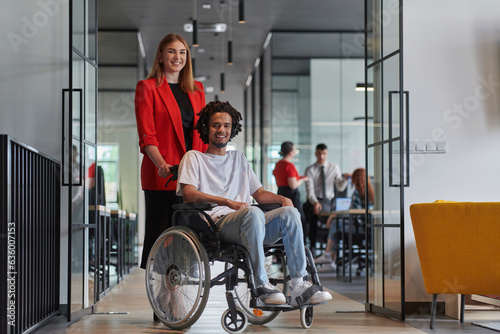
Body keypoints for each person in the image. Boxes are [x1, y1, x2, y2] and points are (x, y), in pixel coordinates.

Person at [177, 101, 332, 306]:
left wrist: (282, 199)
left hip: (250, 222)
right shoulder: (194, 158)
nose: (221, 130)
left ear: (232, 129)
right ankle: (261, 284)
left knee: (290, 213)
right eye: (215, 125)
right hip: (217, 226)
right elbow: (188, 194)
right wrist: (226, 201)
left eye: (226, 125)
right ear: (206, 128)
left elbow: (258, 194)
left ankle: (298, 284)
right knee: (252, 213)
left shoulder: (239, 158)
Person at [135, 33, 208, 270]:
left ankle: (179, 294)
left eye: (182, 52)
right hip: (162, 174)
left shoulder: (197, 90)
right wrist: (161, 164)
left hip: (191, 175)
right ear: (160, 56)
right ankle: (162, 302)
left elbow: (203, 133)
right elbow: (147, 135)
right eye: (172, 51)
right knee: (162, 236)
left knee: (188, 238)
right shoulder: (147, 88)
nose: (177, 57)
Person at [314, 168, 374, 272]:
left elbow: (353, 213)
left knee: (336, 224)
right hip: (369, 229)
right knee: (337, 225)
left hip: (359, 228)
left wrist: (333, 215)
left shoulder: (357, 193)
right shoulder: (372, 193)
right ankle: (330, 260)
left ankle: (329, 256)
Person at [304, 143, 350, 254]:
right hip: (315, 200)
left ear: (327, 153)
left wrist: (345, 179)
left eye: (324, 154)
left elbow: (340, 186)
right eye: (319, 154)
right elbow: (310, 191)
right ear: (316, 154)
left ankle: (331, 249)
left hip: (329, 202)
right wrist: (315, 202)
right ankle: (313, 247)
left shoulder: (334, 167)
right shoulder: (310, 170)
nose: (321, 156)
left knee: (336, 219)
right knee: (312, 215)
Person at [272, 141, 308, 234]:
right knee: (299, 221)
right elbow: (293, 185)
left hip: (281, 193)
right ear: (290, 152)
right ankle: (300, 246)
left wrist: (299, 177)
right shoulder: (289, 165)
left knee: (284, 220)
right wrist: (302, 180)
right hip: (291, 196)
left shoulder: (278, 164)